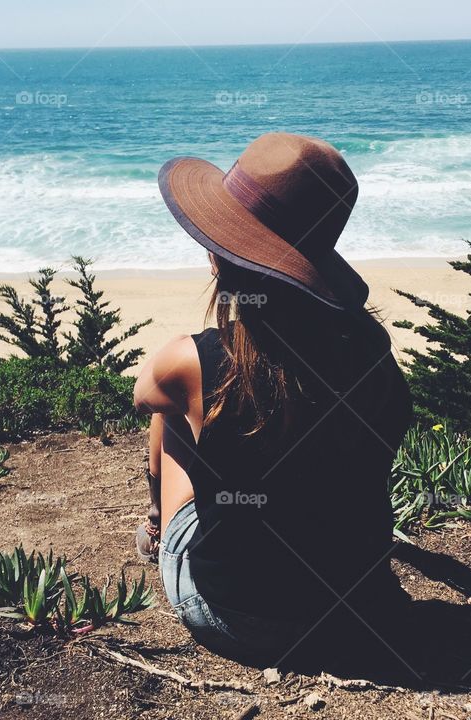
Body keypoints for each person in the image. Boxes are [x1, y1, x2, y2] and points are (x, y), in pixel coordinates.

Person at [132, 133, 413, 665]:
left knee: (172, 408)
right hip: (361, 615)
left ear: (225, 255)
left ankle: (152, 524)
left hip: (239, 619)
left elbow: (143, 394)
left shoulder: (195, 361)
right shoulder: (372, 352)